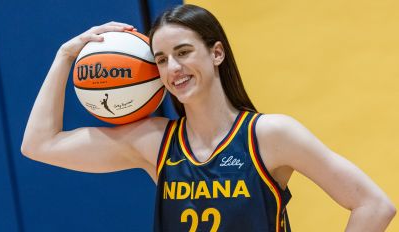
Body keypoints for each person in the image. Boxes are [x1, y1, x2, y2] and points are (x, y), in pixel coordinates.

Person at [21, 4, 395, 232]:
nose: (174, 68)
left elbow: (375, 206)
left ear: (217, 53)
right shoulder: (155, 143)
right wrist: (65, 55)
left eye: (183, 52)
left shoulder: (269, 135)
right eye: (162, 59)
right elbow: (40, 144)